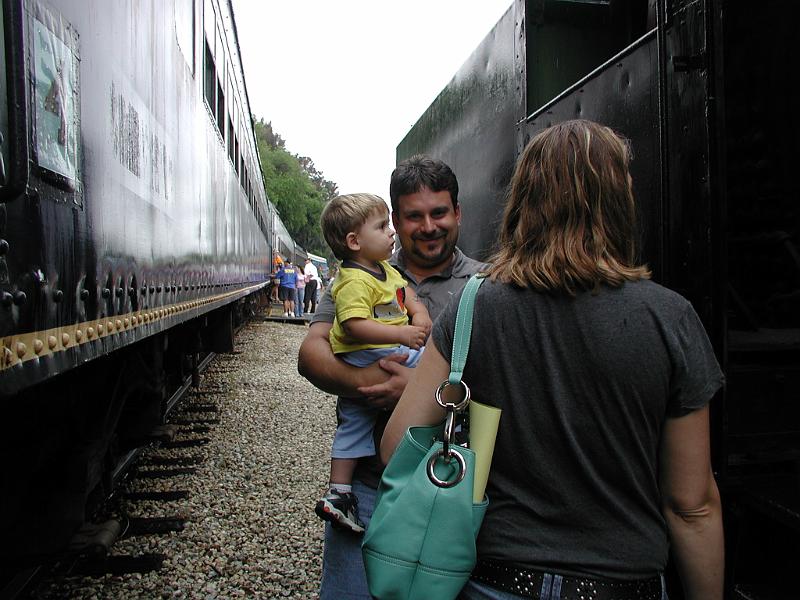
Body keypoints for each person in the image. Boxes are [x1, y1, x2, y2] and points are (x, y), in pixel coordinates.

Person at [381, 120, 725, 600]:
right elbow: (692, 506)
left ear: (524, 201)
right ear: (618, 201)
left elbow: (397, 448)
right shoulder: (671, 317)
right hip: (626, 584)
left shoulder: (475, 305)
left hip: (495, 579)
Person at [298, 155, 485, 599]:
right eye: (413, 217)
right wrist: (369, 385)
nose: (428, 226)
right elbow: (311, 352)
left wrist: (421, 394)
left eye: (439, 213)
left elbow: (505, 385)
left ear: (457, 212)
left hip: (448, 490)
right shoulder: (361, 274)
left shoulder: (485, 283)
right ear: (396, 222)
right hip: (367, 488)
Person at [314, 193, 433, 533]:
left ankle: (339, 492)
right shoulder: (352, 280)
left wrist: (420, 312)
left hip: (377, 351)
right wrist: (404, 334)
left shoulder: (383, 270)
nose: (391, 232)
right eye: (382, 226)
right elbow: (354, 325)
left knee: (354, 421)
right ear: (354, 241)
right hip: (368, 351)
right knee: (438, 362)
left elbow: (405, 295)